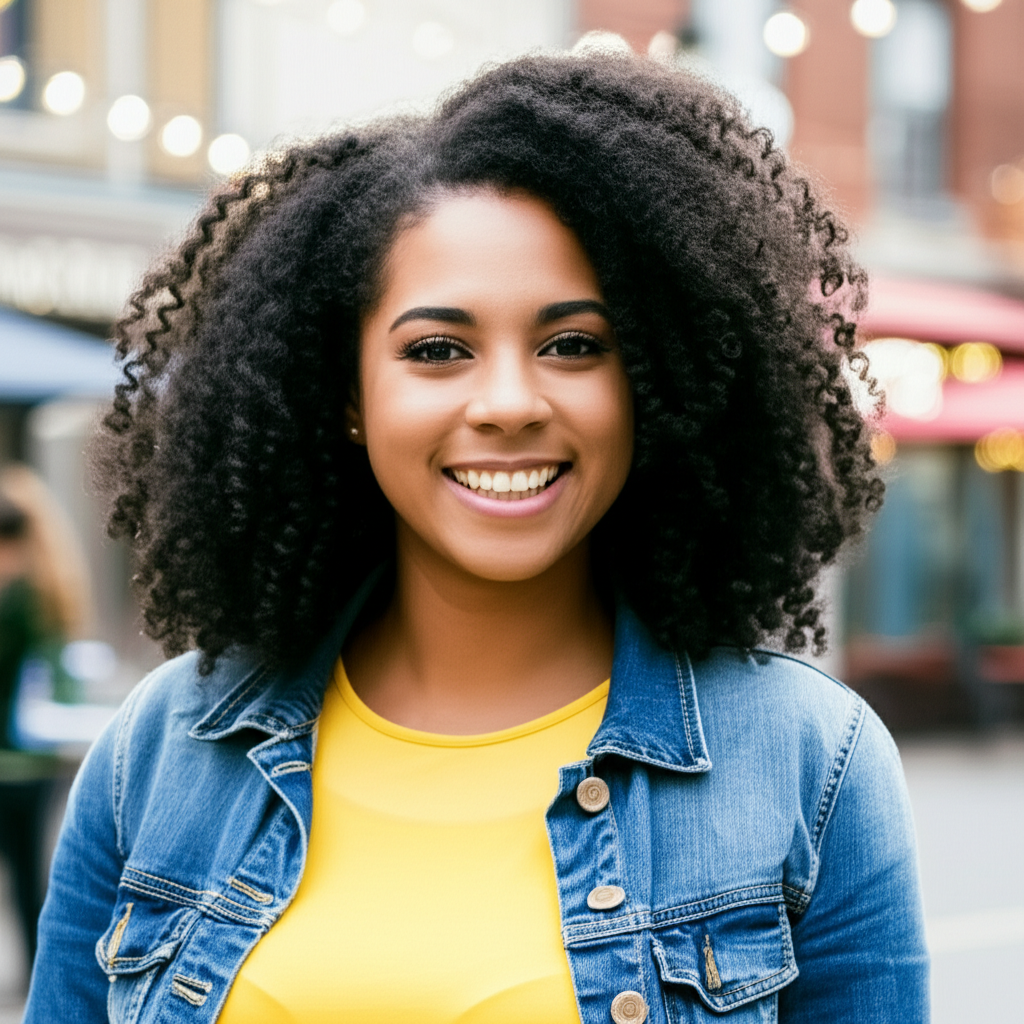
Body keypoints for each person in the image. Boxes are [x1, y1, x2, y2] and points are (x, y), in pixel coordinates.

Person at [25, 49, 928, 1023]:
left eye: (573, 344)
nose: (507, 402)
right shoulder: (159, 755)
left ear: (654, 384)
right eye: (437, 350)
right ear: (346, 399)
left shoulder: (807, 762)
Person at [0, 465, 89, 973]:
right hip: (38, 760)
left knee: (28, 877)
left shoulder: (17, 604)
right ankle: (41, 978)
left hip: (14, 762)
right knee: (31, 875)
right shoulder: (53, 592)